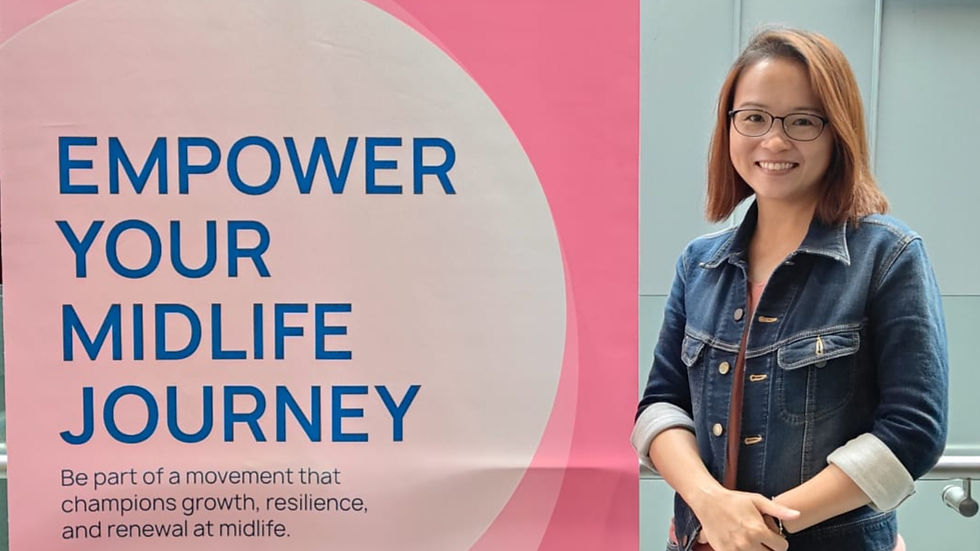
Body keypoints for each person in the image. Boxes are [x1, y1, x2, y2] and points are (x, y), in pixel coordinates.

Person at [632, 28, 947, 551]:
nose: (774, 141)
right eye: (753, 118)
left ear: (836, 131)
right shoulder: (699, 263)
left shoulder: (887, 256)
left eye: (802, 121)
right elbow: (660, 407)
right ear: (729, 126)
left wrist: (766, 527)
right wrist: (710, 505)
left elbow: (912, 432)